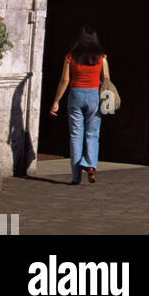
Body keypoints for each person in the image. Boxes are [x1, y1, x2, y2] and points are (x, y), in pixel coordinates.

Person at [50, 26, 110, 185]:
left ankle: (76, 177)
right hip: (94, 96)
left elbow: (65, 80)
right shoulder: (102, 58)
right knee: (93, 133)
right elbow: (107, 80)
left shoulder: (71, 57)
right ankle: (90, 165)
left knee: (76, 135)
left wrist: (56, 101)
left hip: (75, 95)